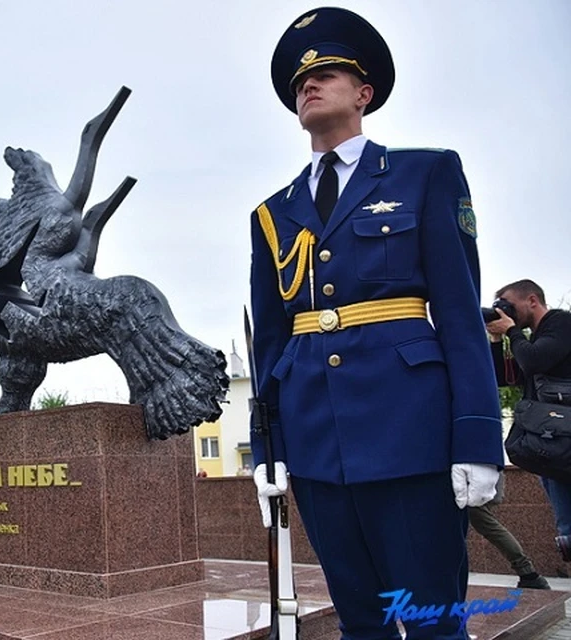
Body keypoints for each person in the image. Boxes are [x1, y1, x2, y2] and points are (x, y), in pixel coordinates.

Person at [249, 8, 504, 639]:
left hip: (409, 431)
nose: (308, 85)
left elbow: (459, 312)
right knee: (359, 623)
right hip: (315, 444)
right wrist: (268, 446)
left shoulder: (424, 173)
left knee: (432, 624)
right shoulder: (272, 213)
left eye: (327, 74)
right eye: (300, 82)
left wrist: (476, 436)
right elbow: (270, 340)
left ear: (363, 94)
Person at [486, 279, 571, 564]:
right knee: (566, 522)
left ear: (532, 300)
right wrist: (497, 340)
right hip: (551, 438)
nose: (506, 312)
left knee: (569, 523)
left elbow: (533, 361)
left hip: (564, 435)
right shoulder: (533, 339)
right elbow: (503, 378)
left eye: (509, 305)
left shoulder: (561, 323)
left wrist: (511, 330)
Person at [468, 472, 549, 589]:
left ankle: (528, 573)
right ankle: (527, 573)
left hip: (474, 480)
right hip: (480, 478)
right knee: (487, 526)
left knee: (487, 525)